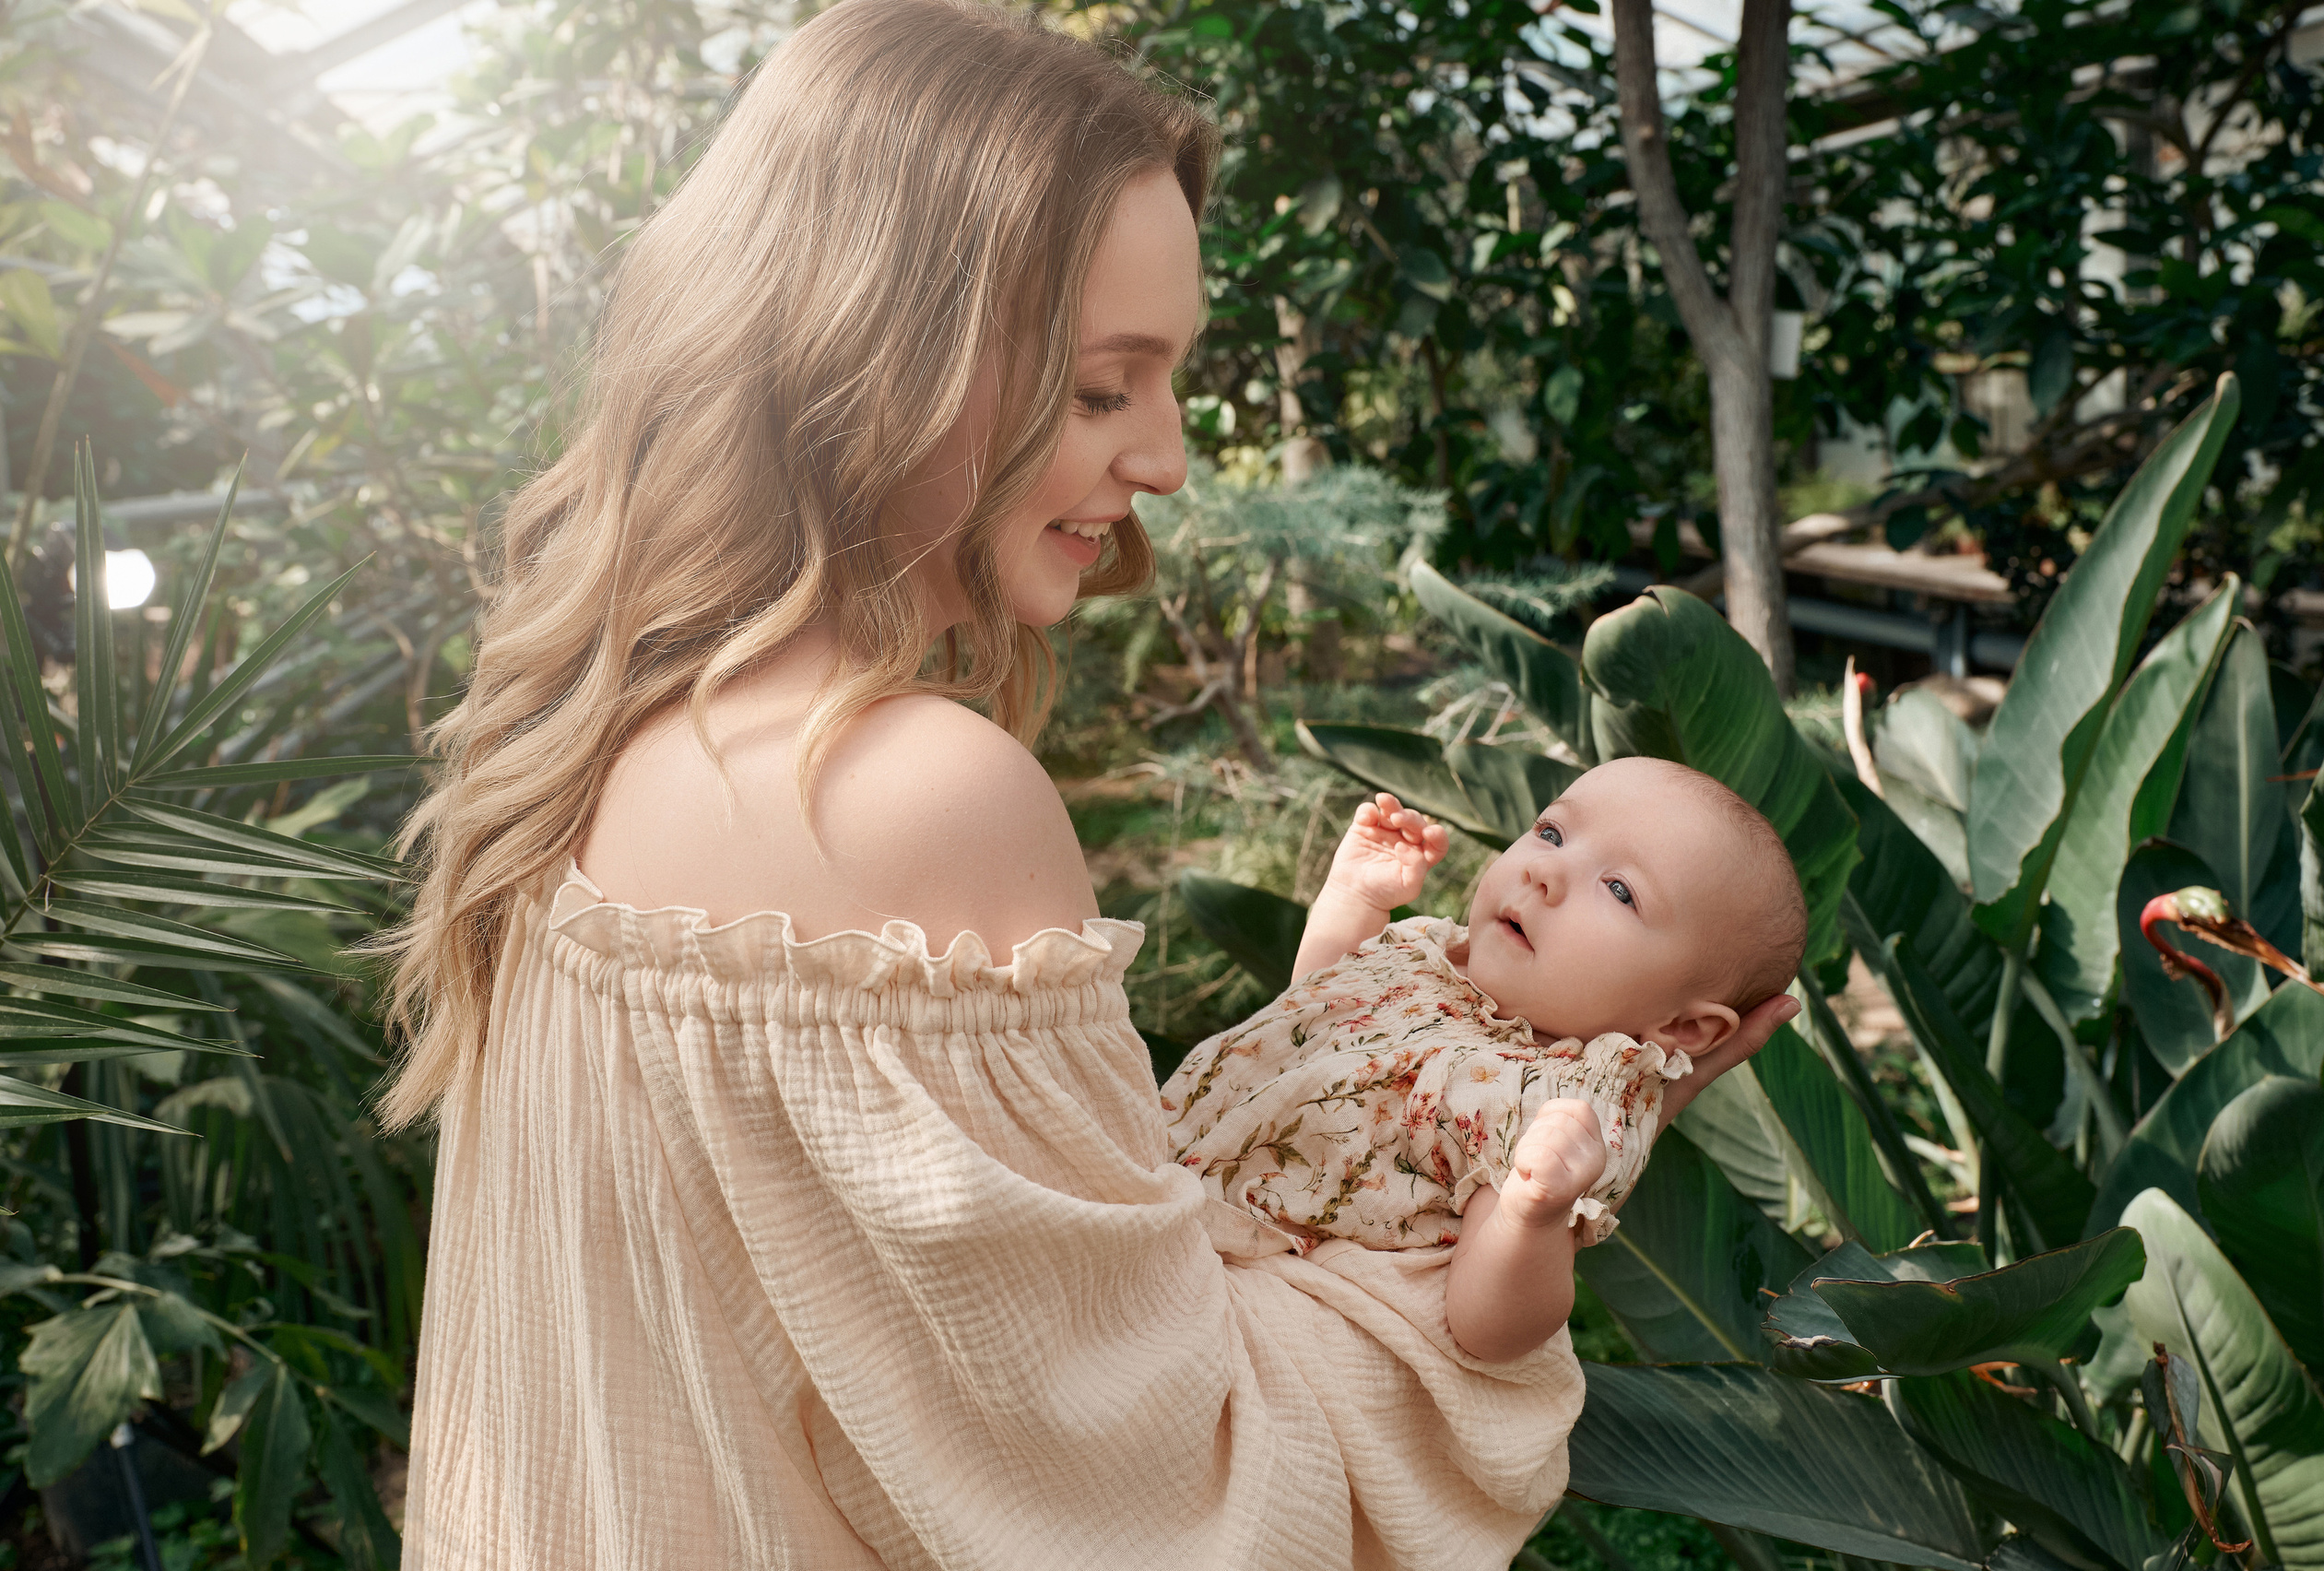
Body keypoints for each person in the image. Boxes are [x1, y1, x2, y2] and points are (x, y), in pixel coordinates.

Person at [377, 2, 1799, 1565]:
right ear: (873, 358)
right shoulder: (918, 792)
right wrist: (1492, 1238)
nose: (1168, 460)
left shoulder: (593, 733)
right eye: (1103, 388)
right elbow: (1173, 1497)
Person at [1164, 762, 1808, 1364]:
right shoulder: (1430, 952)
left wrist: (1532, 1219)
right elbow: (1310, 1019)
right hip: (1162, 1168)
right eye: (1552, 833)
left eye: (1619, 890)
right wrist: (1354, 898)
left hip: (1227, 1277)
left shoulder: (1549, 1105)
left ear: (1684, 1027)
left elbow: (1489, 1331)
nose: (1545, 872)